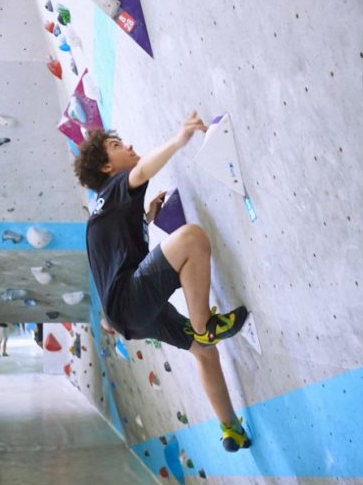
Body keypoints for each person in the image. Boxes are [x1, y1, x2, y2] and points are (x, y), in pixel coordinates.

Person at [73, 112, 251, 452]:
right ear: (107, 168)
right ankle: (205, 325)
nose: (128, 145)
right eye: (116, 146)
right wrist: (178, 139)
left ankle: (231, 430)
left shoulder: (105, 209)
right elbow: (141, 172)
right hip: (129, 301)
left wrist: (147, 218)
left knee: (205, 354)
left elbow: (121, 248)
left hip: (129, 314)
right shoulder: (113, 190)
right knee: (192, 239)